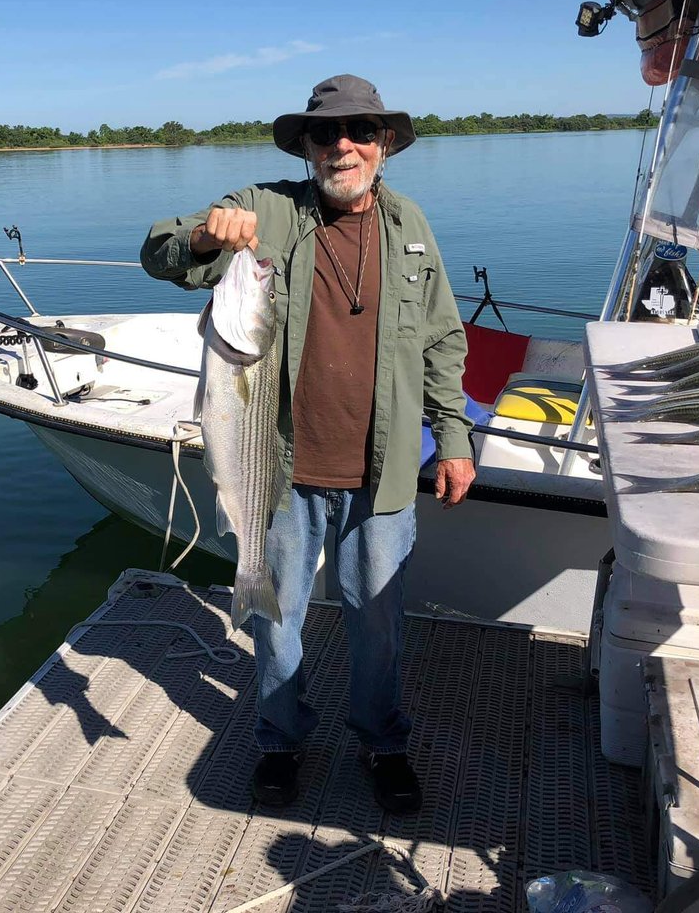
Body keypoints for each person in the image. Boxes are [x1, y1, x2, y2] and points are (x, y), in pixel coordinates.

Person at [140, 74, 475, 814]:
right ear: (307, 148)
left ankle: (382, 741)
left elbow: (442, 341)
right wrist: (203, 236)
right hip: (280, 469)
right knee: (275, 614)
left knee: (377, 623)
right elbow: (160, 252)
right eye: (326, 134)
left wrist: (452, 436)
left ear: (384, 144)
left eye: (360, 131)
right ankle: (279, 739)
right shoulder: (263, 209)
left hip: (381, 471)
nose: (343, 146)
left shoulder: (411, 224)